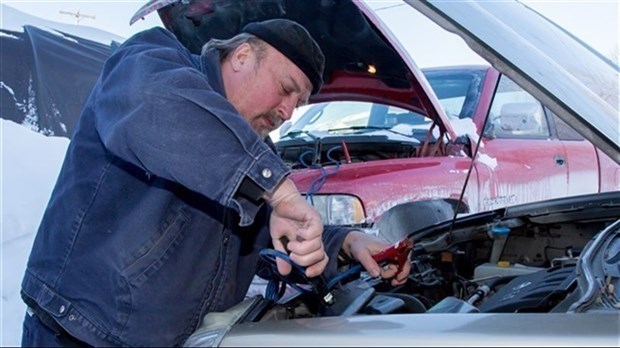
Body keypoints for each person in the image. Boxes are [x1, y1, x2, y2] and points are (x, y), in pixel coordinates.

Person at [20, 19, 410, 347]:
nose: (288, 112)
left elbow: (268, 235)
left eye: (299, 104)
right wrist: (277, 188)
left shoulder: (252, 152)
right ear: (242, 56)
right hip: (79, 334)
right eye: (287, 89)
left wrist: (343, 243)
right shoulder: (150, 61)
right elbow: (154, 105)